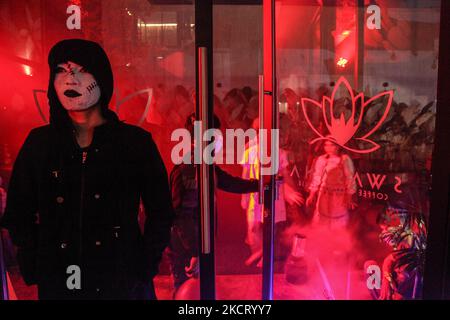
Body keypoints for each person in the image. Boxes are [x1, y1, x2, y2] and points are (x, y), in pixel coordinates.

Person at [0, 39, 174, 300]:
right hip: (60, 284)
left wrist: (144, 264)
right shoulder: (40, 144)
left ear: (101, 78)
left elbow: (160, 211)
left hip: (122, 283)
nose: (71, 80)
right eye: (60, 70)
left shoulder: (134, 143)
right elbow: (18, 212)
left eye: (81, 70)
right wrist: (36, 262)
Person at [168, 113, 258, 292]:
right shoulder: (192, 168)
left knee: (197, 291)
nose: (220, 141)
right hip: (186, 245)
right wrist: (194, 252)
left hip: (194, 243)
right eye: (216, 136)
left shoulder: (203, 163)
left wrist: (260, 185)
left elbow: (229, 182)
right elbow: (182, 215)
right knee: (187, 293)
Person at [306, 139, 357, 229]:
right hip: (324, 194)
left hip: (339, 195)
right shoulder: (321, 159)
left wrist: (349, 197)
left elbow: (350, 179)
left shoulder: (344, 159)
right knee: (322, 218)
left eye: (331, 145)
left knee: (337, 219)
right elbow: (316, 177)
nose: (328, 148)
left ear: (337, 146)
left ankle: (336, 240)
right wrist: (311, 195)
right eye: (326, 145)